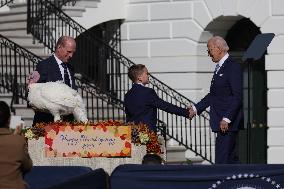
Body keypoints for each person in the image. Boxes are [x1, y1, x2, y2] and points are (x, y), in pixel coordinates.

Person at [189, 36, 244, 164]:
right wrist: (196, 108)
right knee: (230, 161)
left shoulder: (232, 66)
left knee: (222, 161)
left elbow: (237, 96)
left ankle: (222, 184)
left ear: (219, 49)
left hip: (227, 124)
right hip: (222, 123)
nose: (209, 54)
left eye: (210, 50)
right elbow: (214, 95)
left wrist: (226, 118)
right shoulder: (220, 67)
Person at [124, 64, 190, 132]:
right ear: (139, 77)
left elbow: (128, 117)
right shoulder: (148, 92)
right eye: (147, 73)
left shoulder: (127, 95)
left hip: (133, 134)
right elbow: (166, 106)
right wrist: (186, 112)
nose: (148, 75)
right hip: (147, 135)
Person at [32, 36, 77, 126]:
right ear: (59, 48)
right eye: (68, 52)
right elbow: (33, 95)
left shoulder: (70, 69)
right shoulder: (43, 66)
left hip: (67, 125)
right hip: (47, 124)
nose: (71, 55)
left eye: (73, 52)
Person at [0, 101, 33, 189]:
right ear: (9, 120)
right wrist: (17, 139)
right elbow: (28, 166)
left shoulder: (16, 140)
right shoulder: (18, 141)